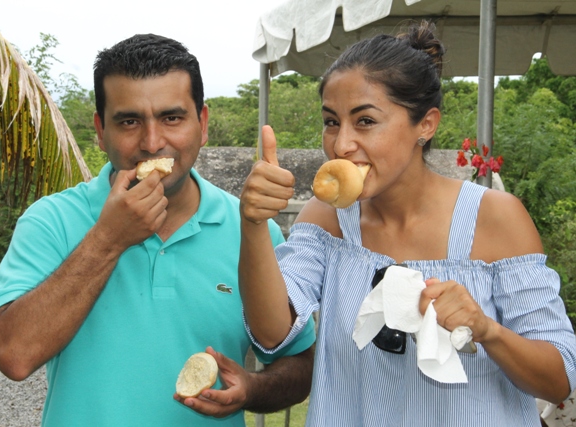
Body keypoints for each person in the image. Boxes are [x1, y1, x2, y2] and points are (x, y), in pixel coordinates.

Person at [238, 21, 576, 426]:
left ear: (426, 124)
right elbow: (272, 334)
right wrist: (254, 225)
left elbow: (559, 382)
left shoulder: (496, 218)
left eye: (365, 121)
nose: (342, 144)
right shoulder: (327, 222)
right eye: (331, 121)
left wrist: (488, 330)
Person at [0, 33, 315, 426]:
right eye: (129, 121)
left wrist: (251, 389)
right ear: (100, 130)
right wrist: (108, 238)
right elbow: (16, 356)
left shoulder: (248, 228)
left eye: (171, 117)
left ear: (203, 123)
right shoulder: (51, 221)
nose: (153, 142)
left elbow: (298, 365)